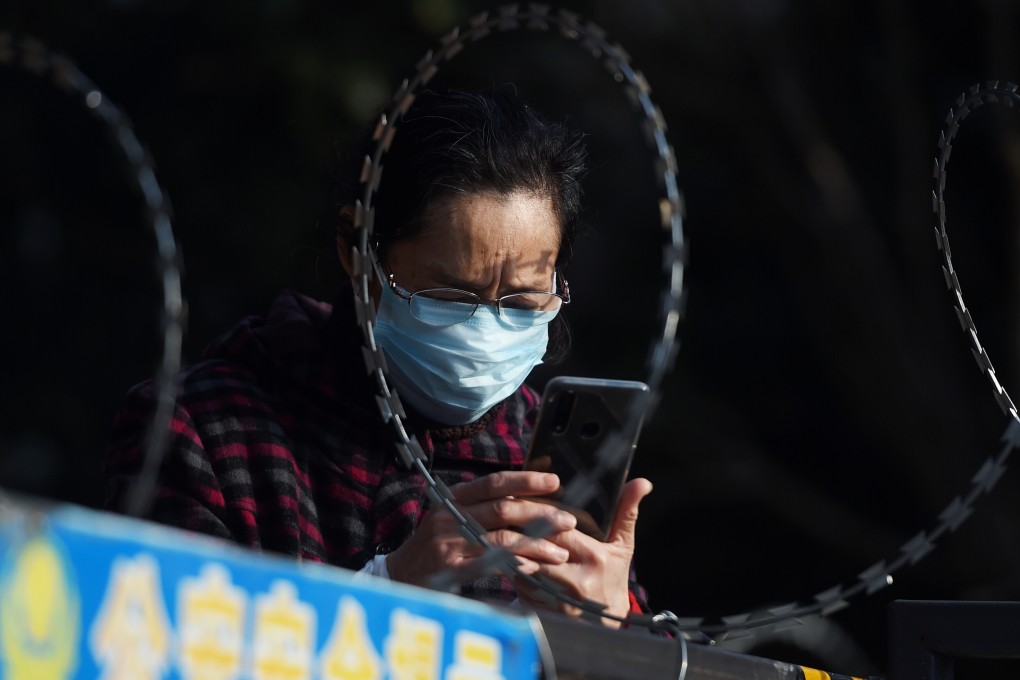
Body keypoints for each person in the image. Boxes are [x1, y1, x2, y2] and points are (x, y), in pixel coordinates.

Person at [105, 88, 654, 626]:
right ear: (358, 253)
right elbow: (154, 646)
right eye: (447, 296)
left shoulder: (548, 462)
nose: (486, 328)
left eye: (523, 299)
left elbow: (659, 647)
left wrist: (614, 636)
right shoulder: (206, 433)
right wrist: (384, 590)